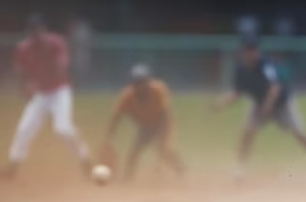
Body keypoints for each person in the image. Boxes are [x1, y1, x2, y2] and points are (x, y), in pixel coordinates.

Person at [213, 36, 306, 180]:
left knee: (300, 133)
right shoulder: (241, 69)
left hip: (282, 103)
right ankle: (240, 167)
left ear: (258, 51)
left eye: (253, 50)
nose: (251, 53)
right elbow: (237, 91)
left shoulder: (266, 65)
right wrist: (221, 103)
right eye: (248, 50)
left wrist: (268, 107)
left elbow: (275, 88)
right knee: (248, 132)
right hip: (260, 103)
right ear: (243, 52)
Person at [0, 14, 91, 180]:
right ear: (29, 33)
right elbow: (21, 72)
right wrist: (25, 88)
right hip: (41, 93)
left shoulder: (56, 43)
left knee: (63, 128)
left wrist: (44, 65)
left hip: (60, 91)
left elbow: (61, 68)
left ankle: (85, 159)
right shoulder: (23, 49)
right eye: (33, 31)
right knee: (24, 128)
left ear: (44, 30)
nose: (36, 34)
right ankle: (14, 165)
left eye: (39, 30)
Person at [103, 64, 185, 181]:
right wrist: (109, 139)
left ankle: (181, 170)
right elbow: (116, 119)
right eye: (137, 82)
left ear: (147, 81)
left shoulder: (158, 90)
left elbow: (165, 115)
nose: (140, 85)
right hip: (146, 127)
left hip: (163, 123)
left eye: (142, 82)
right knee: (134, 152)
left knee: (164, 148)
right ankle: (127, 179)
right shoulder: (127, 97)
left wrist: (161, 138)